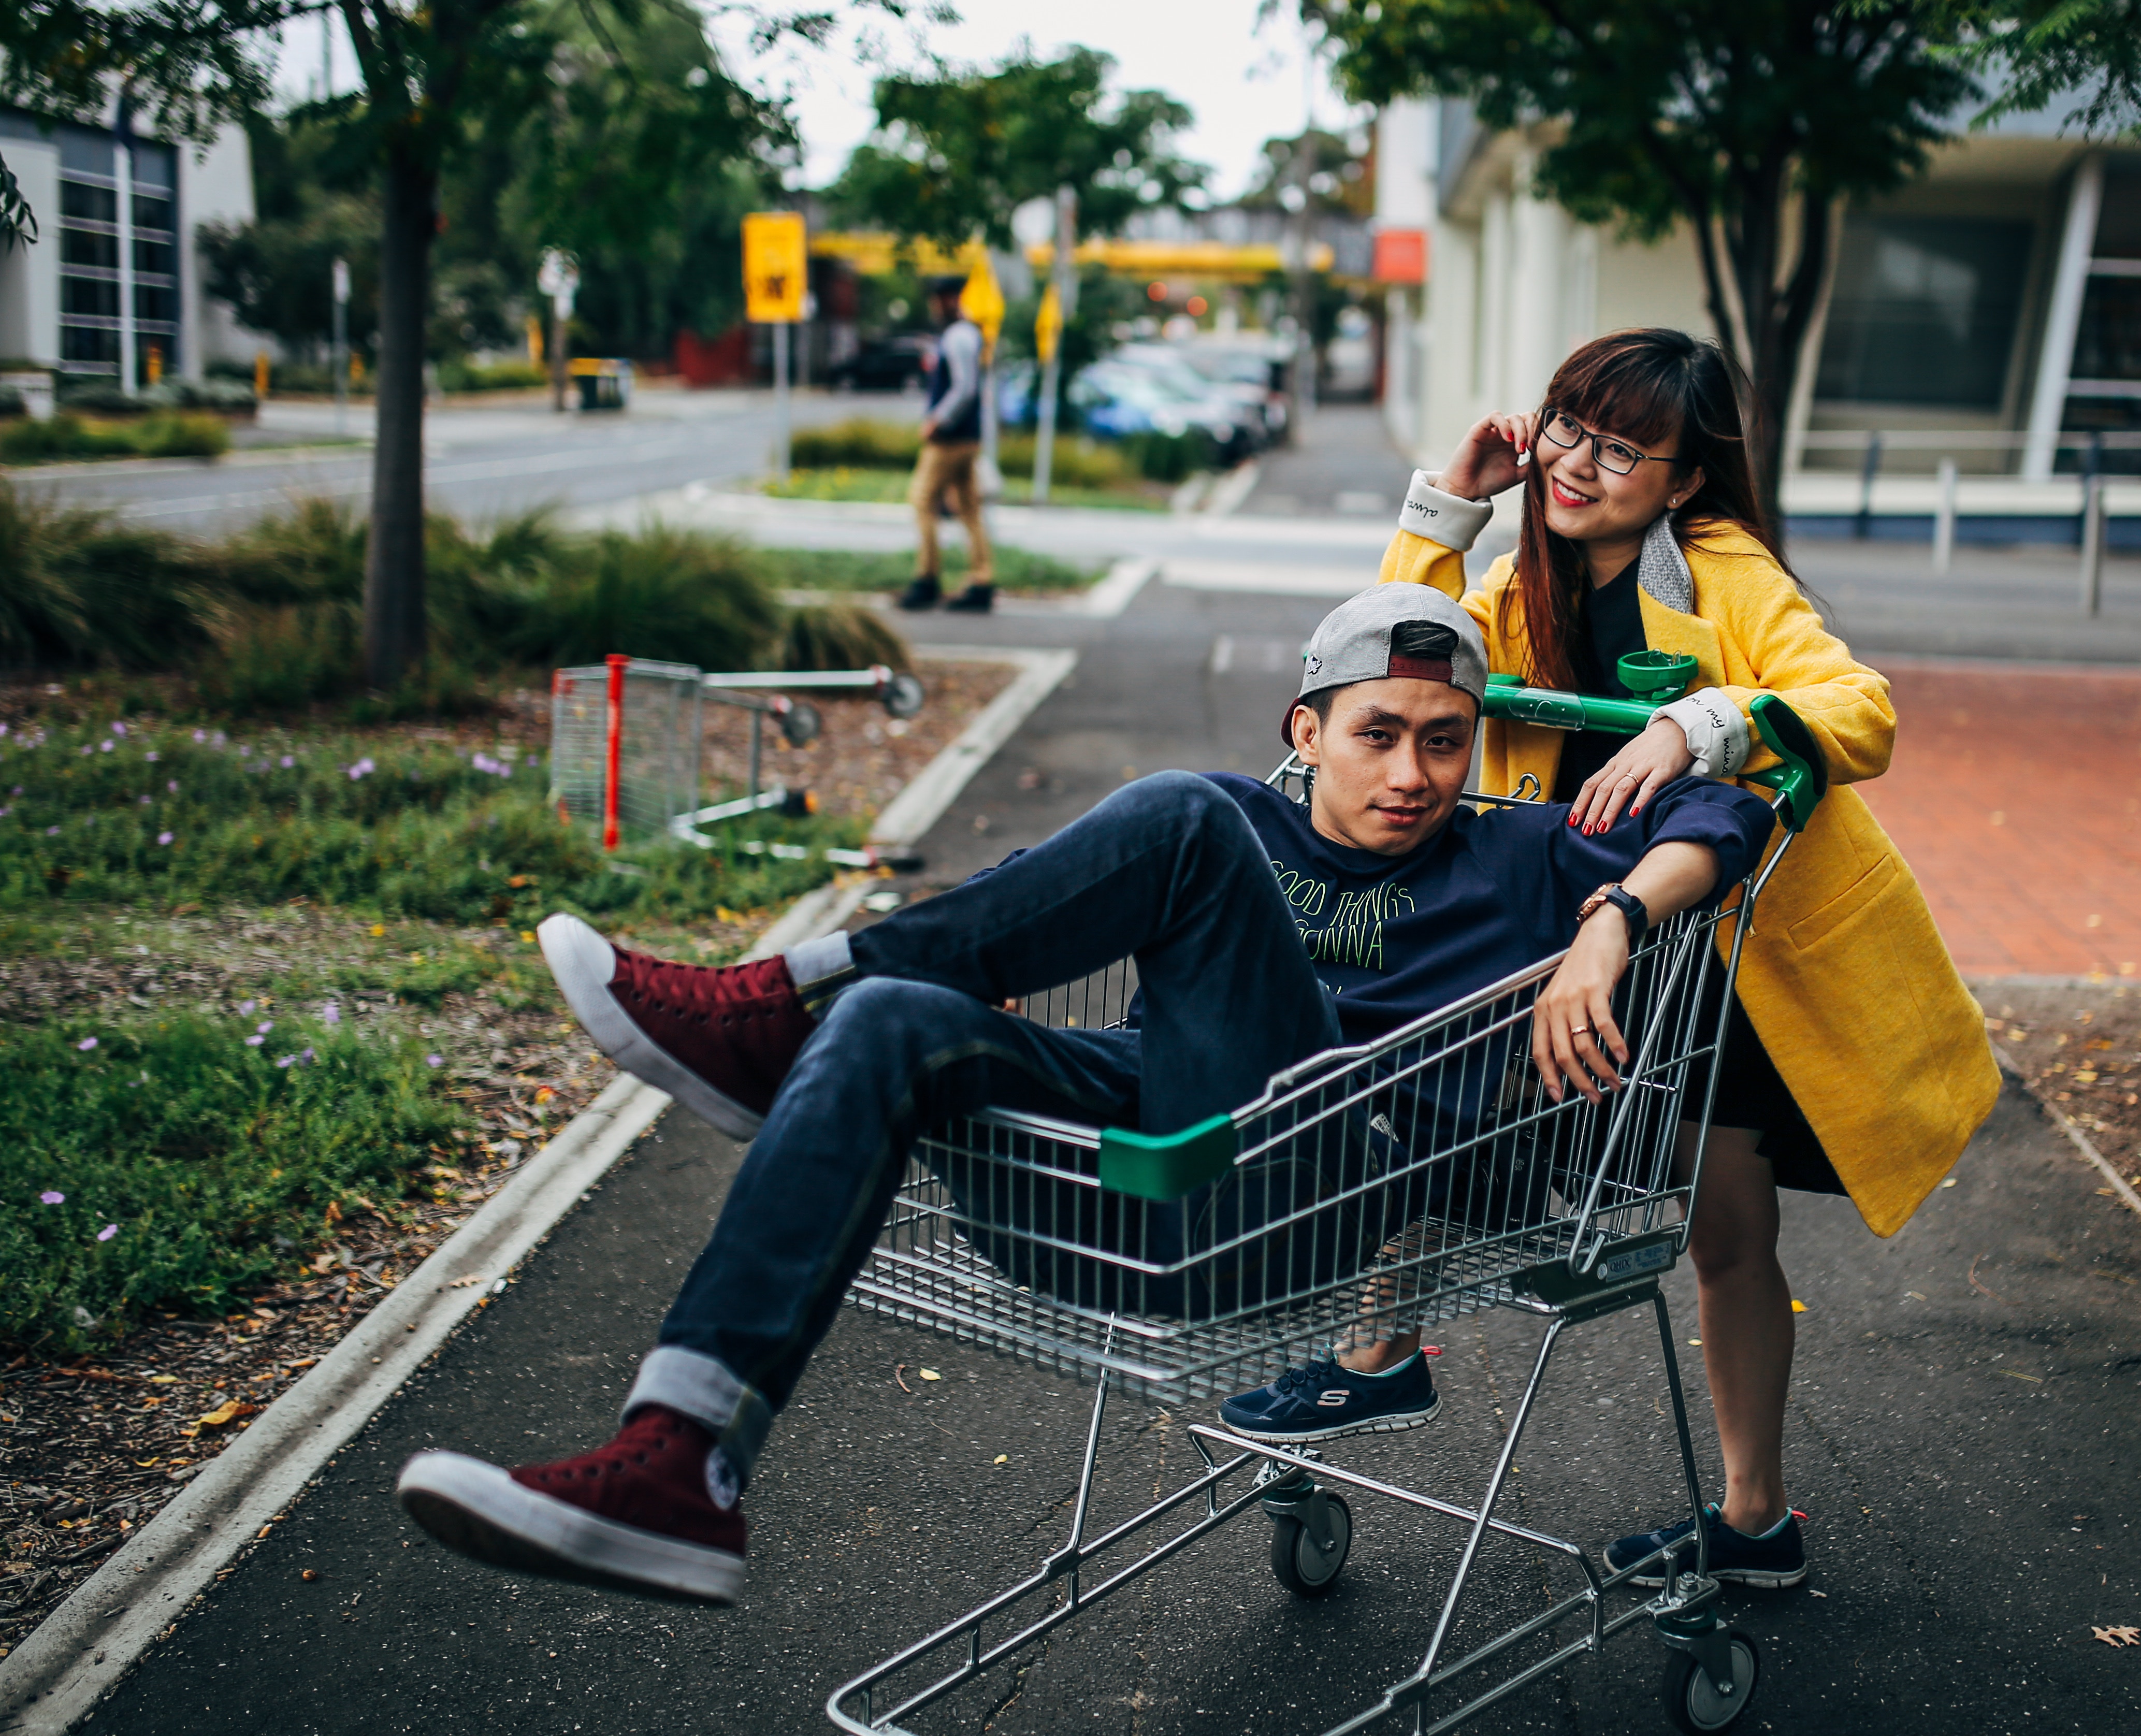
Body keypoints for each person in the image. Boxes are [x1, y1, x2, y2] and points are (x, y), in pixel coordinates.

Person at [394, 584, 1771, 1604]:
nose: (1414, 774)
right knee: (894, 1024)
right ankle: (680, 1461)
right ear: (1308, 727)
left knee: (1179, 820)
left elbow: (1735, 815)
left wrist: (1609, 921)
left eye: (1447, 740)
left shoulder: (1520, 856)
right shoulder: (1255, 826)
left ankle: (779, 999)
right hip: (1139, 1182)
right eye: (1378, 735)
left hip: (1324, 1188)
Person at [1219, 329, 1997, 1594]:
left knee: (1725, 1238)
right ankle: (1378, 1356)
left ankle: (1752, 1520)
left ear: (1683, 479)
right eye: (1567, 429)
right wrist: (1452, 507)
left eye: (1623, 448)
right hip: (1568, 922)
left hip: (1710, 959)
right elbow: (1395, 654)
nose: (1579, 465)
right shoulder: (1522, 574)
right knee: (1438, 1069)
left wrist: (1706, 722)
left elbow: (1860, 710)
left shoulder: (1721, 572)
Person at [897, 274, 996, 614]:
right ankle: (982, 581)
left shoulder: (958, 337)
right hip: (967, 437)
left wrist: (937, 420)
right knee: (969, 509)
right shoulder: (966, 334)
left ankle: (926, 579)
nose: (935, 306)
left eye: (937, 299)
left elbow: (965, 388)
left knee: (922, 500)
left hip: (950, 439)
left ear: (948, 299)